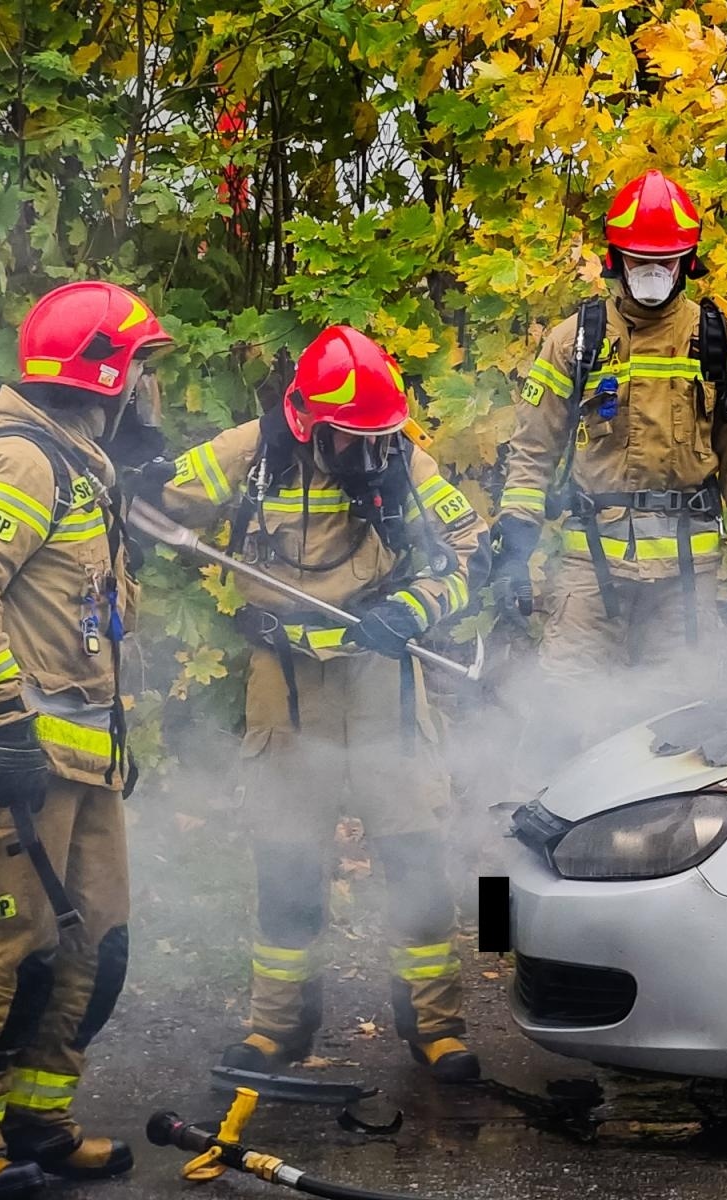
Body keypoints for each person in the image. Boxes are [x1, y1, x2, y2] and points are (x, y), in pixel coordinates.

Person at [159, 326, 490, 1084]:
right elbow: (157, 504)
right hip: (285, 679)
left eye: (381, 441)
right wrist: (140, 479)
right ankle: (278, 1029)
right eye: (353, 441)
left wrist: (417, 604)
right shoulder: (254, 453)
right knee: (284, 857)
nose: (371, 458)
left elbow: (472, 550)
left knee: (412, 852)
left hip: (385, 675)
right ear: (310, 421)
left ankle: (435, 1027)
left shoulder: (405, 458)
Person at [0, 281, 171, 1196]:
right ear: (105, 372)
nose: (149, 386)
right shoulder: (21, 461)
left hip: (78, 760)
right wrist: (4, 726)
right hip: (5, 760)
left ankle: (34, 1125)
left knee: (95, 945)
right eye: (141, 367)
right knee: (0, 948)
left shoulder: (79, 463)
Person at [490, 169, 727, 723]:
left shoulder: (721, 343)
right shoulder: (574, 341)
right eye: (639, 259)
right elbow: (532, 451)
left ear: (687, 262)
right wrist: (516, 549)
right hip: (589, 567)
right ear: (615, 258)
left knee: (682, 717)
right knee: (562, 709)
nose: (651, 273)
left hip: (686, 579)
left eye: (664, 260)